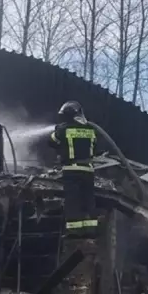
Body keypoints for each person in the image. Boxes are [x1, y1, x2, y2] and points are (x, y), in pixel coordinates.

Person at [49, 101, 98, 239]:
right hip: (88, 170)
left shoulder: (64, 129)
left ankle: (74, 230)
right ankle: (90, 230)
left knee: (73, 201)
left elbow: (51, 141)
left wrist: (57, 130)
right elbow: (95, 147)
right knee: (88, 199)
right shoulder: (91, 129)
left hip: (72, 169)